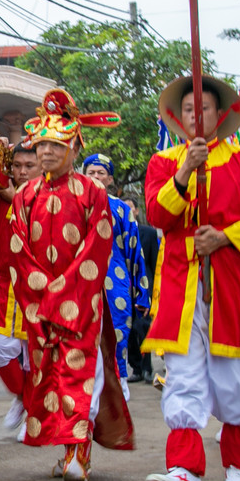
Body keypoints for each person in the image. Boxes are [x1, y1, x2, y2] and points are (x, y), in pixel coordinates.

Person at [143, 75, 240, 481]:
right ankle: (185, 467)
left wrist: (225, 236)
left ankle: (238, 462)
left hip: (231, 282)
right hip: (179, 285)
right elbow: (157, 215)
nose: (196, 116)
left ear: (219, 115)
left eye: (204, 109)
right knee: (183, 376)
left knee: (233, 378)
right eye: (189, 110)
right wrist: (186, 170)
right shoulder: (163, 163)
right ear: (179, 116)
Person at [5, 90, 134, 481]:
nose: (46, 152)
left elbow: (97, 247)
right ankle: (68, 450)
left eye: (56, 144)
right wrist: (42, 296)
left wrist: (62, 294)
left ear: (75, 147)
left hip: (82, 304)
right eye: (41, 144)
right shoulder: (25, 196)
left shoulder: (93, 194)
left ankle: (80, 453)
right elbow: (17, 252)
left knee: (81, 375)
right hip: (40, 307)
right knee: (50, 378)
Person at [0, 142, 39, 441]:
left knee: (35, 356)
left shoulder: (50, 196)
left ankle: (32, 411)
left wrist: (16, 197)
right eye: (16, 165)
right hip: (5, 282)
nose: (20, 172)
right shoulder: (2, 191)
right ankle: (22, 396)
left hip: (37, 284)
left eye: (28, 166)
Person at [82, 153, 150, 383]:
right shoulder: (74, 204)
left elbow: (135, 251)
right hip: (81, 280)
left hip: (115, 280)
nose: (96, 177)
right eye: (91, 172)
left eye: (101, 172)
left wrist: (142, 293)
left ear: (110, 179)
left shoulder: (121, 209)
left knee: (118, 331)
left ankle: (119, 380)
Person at [124, 195, 162, 386]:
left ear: (137, 211)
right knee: (128, 330)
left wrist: (154, 291)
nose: (128, 211)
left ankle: (147, 368)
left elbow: (155, 263)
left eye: (130, 208)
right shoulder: (118, 231)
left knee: (143, 328)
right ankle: (136, 367)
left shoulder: (148, 233)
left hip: (144, 286)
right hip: (123, 286)